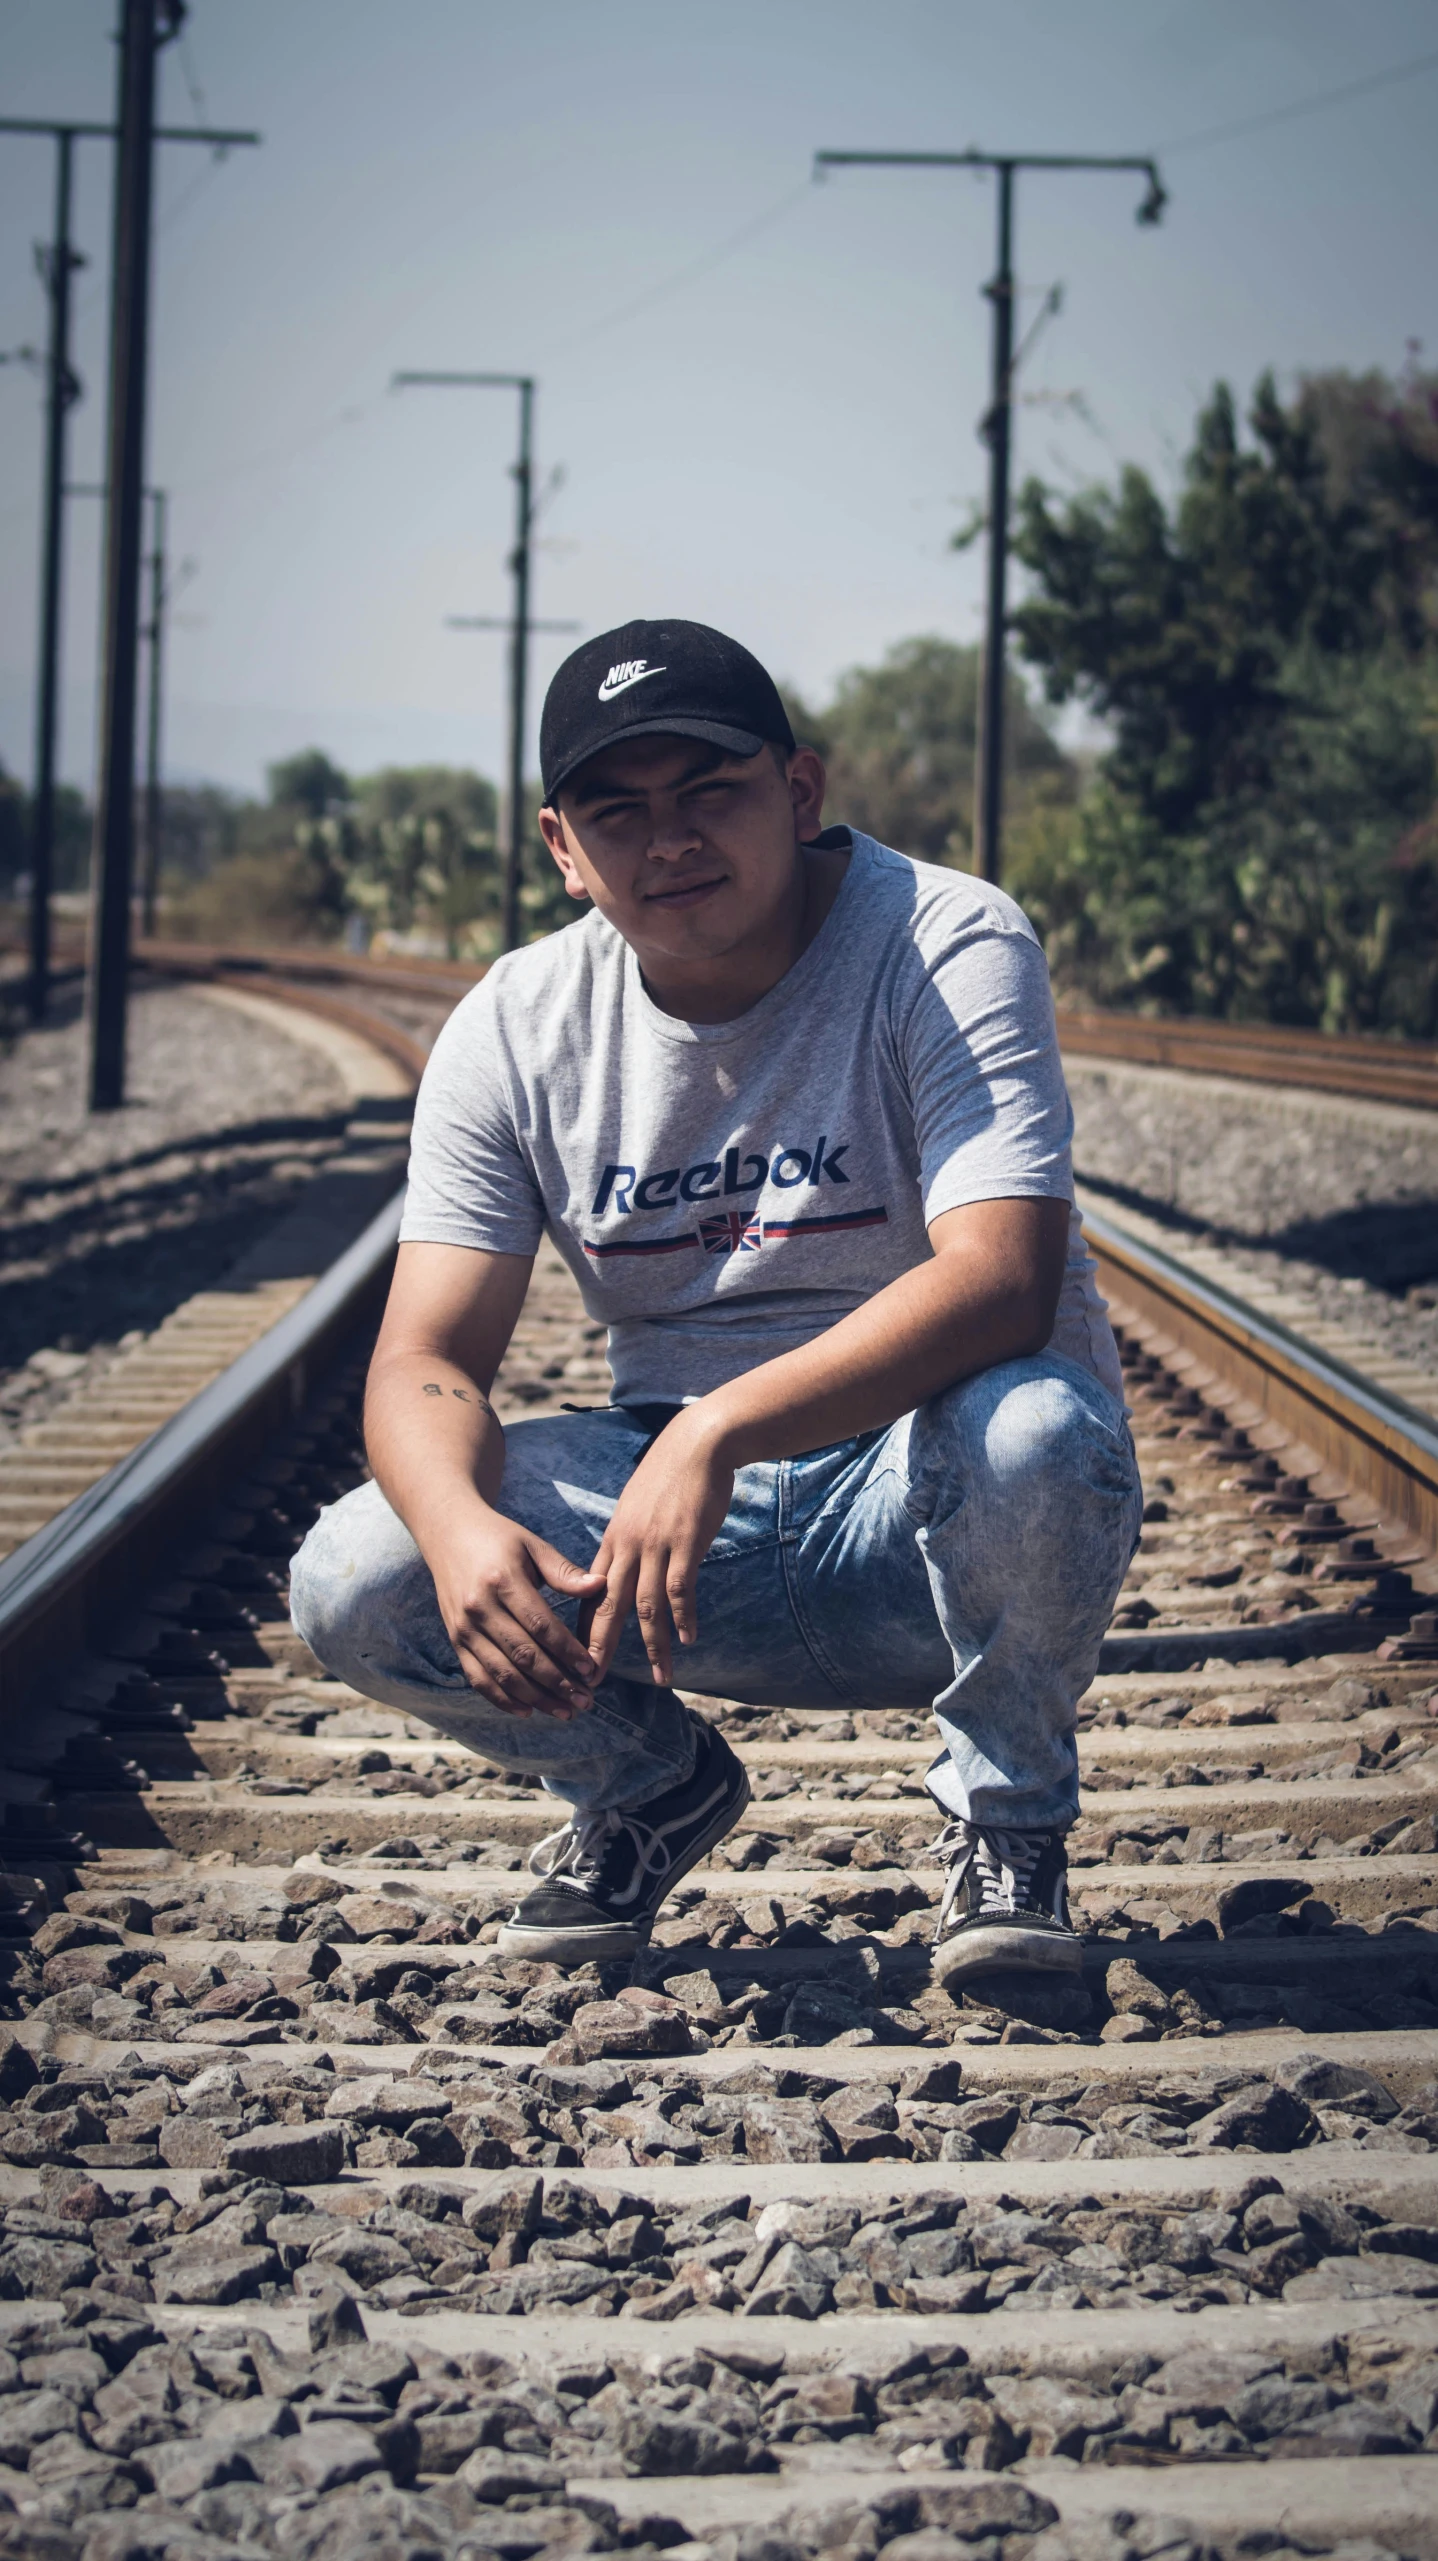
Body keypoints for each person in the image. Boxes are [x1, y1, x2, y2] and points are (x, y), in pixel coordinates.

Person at [289, 617, 1142, 1985]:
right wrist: (456, 1534)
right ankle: (644, 1786)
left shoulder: (942, 937)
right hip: (676, 1563)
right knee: (356, 1571)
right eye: (618, 813)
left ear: (799, 794)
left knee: (1040, 1430)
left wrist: (713, 1431)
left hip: (922, 1514)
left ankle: (1006, 1824)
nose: (668, 840)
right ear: (563, 849)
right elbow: (423, 1360)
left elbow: (1000, 1281)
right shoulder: (513, 1026)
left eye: (710, 793)